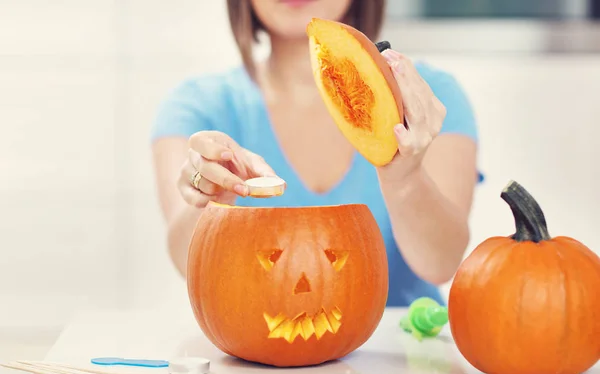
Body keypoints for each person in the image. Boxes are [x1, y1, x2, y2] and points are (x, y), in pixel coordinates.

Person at [151, 0, 480, 307]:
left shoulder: (428, 98)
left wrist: (405, 177)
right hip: (257, 363)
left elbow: (441, 264)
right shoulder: (195, 107)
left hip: (405, 359)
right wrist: (208, 198)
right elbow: (186, 261)